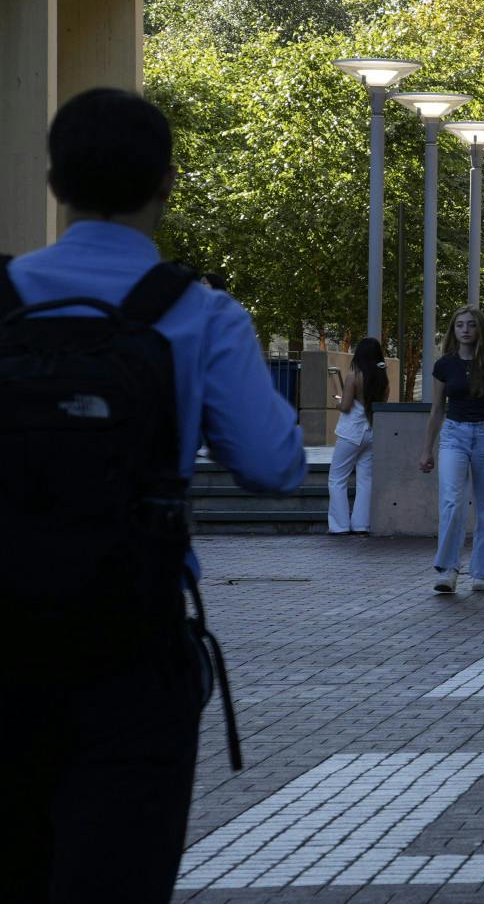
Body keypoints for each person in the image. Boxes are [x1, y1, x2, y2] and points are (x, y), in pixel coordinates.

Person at [1, 87, 305, 901]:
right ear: (168, 183)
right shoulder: (197, 314)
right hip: (130, 650)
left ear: (54, 182)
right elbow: (274, 464)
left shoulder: (4, 299)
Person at [421, 306, 484, 594]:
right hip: (453, 435)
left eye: (471, 325)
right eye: (460, 325)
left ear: (480, 330)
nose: (465, 330)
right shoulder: (444, 365)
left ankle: (482, 573)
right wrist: (427, 450)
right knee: (452, 502)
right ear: (453, 330)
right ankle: (448, 570)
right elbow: (437, 410)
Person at [327, 337, 389, 535]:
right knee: (366, 479)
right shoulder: (383, 379)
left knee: (337, 478)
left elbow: (345, 407)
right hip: (372, 431)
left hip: (351, 432)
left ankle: (339, 526)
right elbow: (381, 406)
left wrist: (337, 401)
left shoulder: (354, 376)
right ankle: (361, 524)